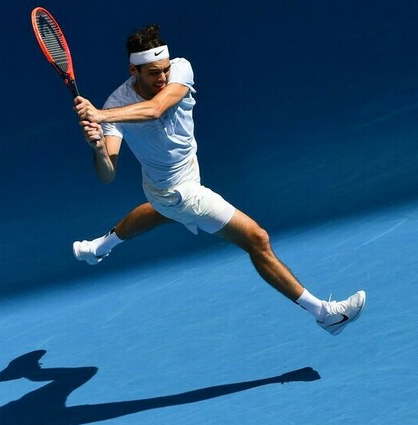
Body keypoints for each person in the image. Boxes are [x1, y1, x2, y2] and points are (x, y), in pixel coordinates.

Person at [72, 24, 365, 335]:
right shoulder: (115, 104)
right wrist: (99, 149)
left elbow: (157, 109)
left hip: (179, 177)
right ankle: (325, 314)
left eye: (165, 70)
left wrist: (101, 115)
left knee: (160, 212)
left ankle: (98, 248)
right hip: (177, 192)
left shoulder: (180, 70)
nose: (163, 78)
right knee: (257, 239)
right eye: (153, 73)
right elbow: (108, 175)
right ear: (134, 70)